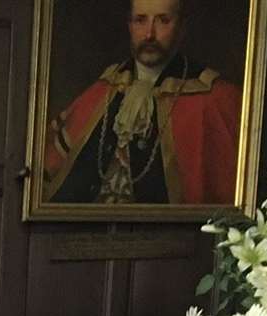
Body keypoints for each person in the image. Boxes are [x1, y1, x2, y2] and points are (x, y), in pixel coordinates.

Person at [41, 0, 240, 205]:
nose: (149, 35)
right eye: (140, 20)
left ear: (181, 28)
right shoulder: (103, 89)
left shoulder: (213, 98)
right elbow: (46, 170)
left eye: (163, 21)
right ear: (129, 26)